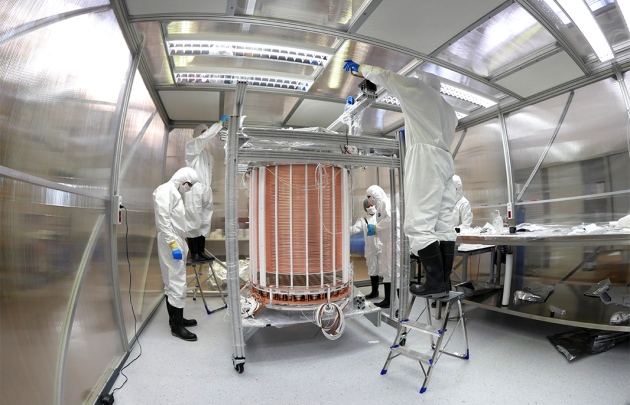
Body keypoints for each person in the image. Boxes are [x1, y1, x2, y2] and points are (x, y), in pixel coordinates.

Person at [344, 60, 458, 299]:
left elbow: (387, 77)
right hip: (446, 160)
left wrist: (362, 69)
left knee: (417, 224)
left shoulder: (420, 90)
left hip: (425, 158)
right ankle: (443, 282)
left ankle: (435, 283)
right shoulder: (449, 110)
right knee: (443, 224)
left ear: (423, 83)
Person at [153, 167, 200, 341]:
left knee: (172, 282)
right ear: (183, 180)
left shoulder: (174, 192)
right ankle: (177, 327)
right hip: (170, 241)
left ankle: (175, 321)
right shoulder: (165, 190)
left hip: (176, 240)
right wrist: (173, 245)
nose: (189, 188)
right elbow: (163, 220)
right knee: (177, 283)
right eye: (189, 185)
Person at [184, 116, 229, 262]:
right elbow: (203, 139)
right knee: (193, 219)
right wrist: (218, 125)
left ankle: (201, 251)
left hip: (206, 189)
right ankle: (194, 254)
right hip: (195, 188)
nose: (206, 134)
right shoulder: (192, 147)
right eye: (204, 132)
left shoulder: (208, 155)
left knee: (205, 219)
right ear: (198, 134)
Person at [365, 185, 394, 308]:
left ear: (375, 194)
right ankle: (387, 300)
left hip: (393, 242)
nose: (369, 200)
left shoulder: (386, 202)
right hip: (386, 243)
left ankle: (397, 305)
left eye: (369, 197)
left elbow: (390, 219)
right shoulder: (380, 206)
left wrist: (376, 228)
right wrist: (377, 231)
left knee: (393, 271)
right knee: (386, 271)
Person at [350, 198, 382, 299]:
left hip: (382, 248)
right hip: (370, 249)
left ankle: (389, 295)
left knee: (386, 270)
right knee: (373, 270)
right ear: (365, 208)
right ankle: (374, 292)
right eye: (368, 206)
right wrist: (342, 229)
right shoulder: (363, 220)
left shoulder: (381, 216)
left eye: (371, 205)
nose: (370, 207)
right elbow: (354, 229)